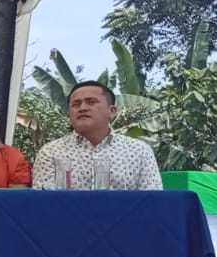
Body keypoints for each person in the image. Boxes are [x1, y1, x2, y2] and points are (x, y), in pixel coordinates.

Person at [33, 81, 162, 190]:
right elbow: (42, 203)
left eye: (91, 102)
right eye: (76, 104)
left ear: (112, 111)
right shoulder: (51, 152)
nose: (82, 108)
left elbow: (152, 200)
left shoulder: (139, 151)